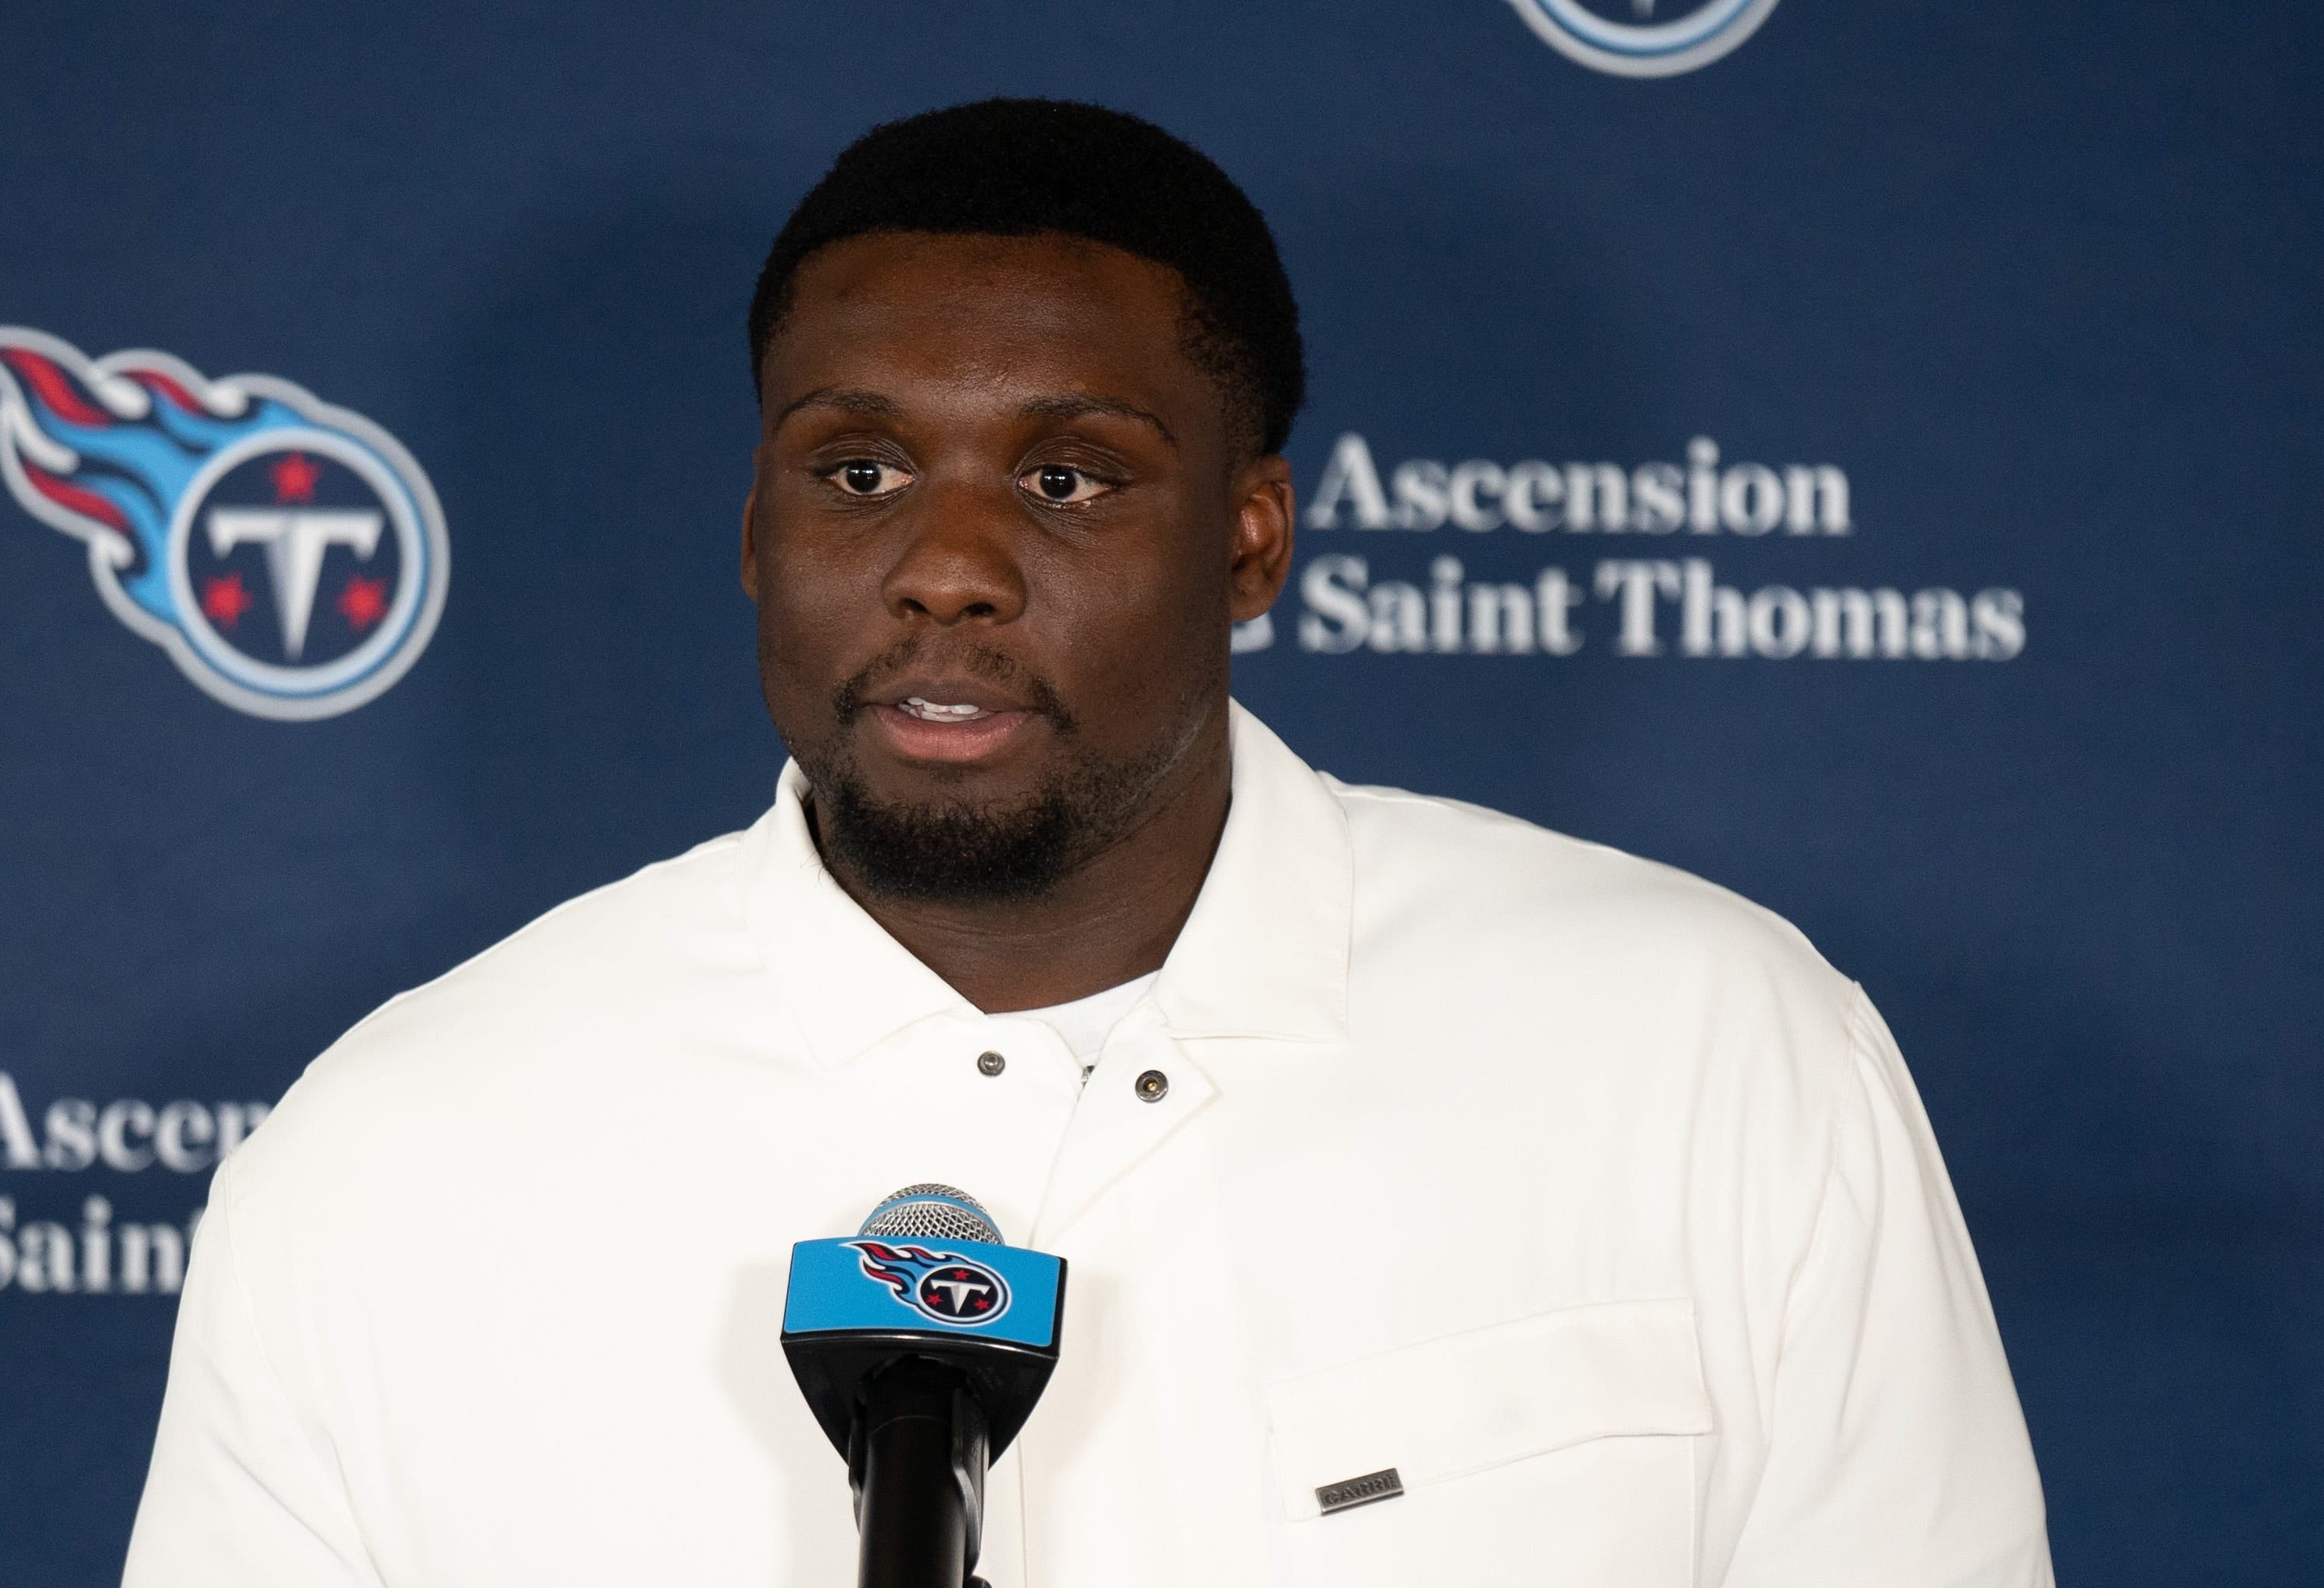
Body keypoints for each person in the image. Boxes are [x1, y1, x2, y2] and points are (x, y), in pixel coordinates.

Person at [122, 99, 2052, 1587]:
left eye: (1066, 477)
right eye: (857, 471)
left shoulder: (1707, 1052)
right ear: (752, 534)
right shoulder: (391, 1161)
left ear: (1249, 538)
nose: (947, 566)